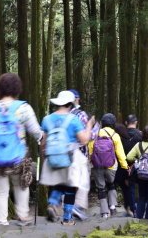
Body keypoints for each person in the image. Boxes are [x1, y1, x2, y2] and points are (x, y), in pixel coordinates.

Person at [0, 73, 43, 226]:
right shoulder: (23, 108)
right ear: (18, 89)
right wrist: (41, 139)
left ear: (0, 89)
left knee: (0, 191)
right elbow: (36, 131)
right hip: (18, 157)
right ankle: (23, 215)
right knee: (21, 185)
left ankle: (1, 222)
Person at [40, 90, 94, 226]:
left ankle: (52, 203)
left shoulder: (47, 119)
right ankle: (67, 219)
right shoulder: (73, 119)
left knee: (59, 184)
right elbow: (84, 140)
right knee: (70, 186)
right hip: (69, 157)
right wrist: (89, 126)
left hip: (52, 157)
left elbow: (43, 142)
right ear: (70, 104)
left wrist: (44, 156)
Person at [89, 113, 128, 218]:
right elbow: (120, 153)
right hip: (111, 166)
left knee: (101, 188)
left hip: (97, 165)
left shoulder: (95, 133)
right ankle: (112, 206)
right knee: (111, 184)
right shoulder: (115, 135)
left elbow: (90, 150)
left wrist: (90, 161)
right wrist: (125, 167)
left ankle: (104, 212)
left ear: (102, 122)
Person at [68, 89, 92, 221]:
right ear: (77, 99)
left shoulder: (59, 115)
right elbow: (86, 137)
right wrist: (91, 127)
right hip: (79, 152)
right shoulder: (81, 115)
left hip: (63, 154)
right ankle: (77, 207)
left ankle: (66, 208)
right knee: (83, 181)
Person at [114, 114, 142, 217]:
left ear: (126, 123)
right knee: (135, 187)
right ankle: (135, 208)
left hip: (122, 165)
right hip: (136, 165)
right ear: (136, 122)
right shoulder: (140, 135)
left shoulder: (120, 135)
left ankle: (128, 207)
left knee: (126, 188)